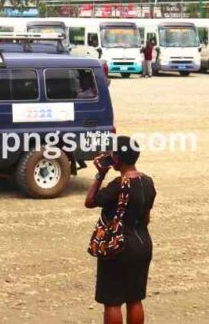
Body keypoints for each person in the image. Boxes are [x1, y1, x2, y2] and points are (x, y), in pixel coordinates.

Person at [85, 136, 156, 324]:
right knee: (135, 299)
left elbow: (90, 201)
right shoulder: (148, 182)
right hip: (142, 244)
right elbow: (146, 219)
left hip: (118, 247)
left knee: (112, 301)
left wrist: (100, 174)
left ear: (117, 159)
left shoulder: (118, 185)